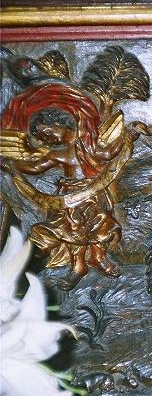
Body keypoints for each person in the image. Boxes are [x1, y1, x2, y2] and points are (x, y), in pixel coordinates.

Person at [1, 83, 127, 289]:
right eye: (42, 138)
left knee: (99, 227)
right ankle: (78, 267)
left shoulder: (88, 143)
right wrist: (12, 166)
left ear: (59, 123)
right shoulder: (58, 153)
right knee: (74, 232)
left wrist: (128, 136)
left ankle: (99, 257)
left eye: (47, 133)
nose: (46, 140)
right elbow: (36, 166)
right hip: (70, 199)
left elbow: (106, 154)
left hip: (94, 194)